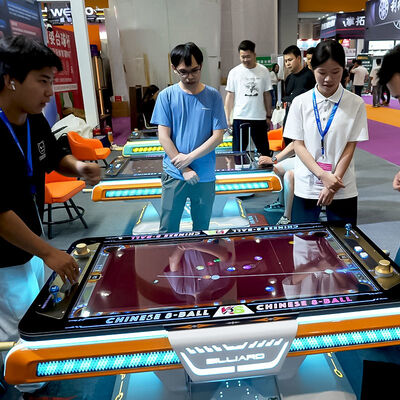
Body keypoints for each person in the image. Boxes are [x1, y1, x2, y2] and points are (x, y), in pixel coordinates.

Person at [0, 35, 101, 393]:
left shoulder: (33, 119)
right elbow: (0, 215)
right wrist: (49, 253)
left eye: (51, 81)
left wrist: (79, 167)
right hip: (5, 253)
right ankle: (29, 388)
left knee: (34, 307)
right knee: (17, 325)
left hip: (30, 238)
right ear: (11, 79)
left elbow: (54, 155)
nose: (49, 92)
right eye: (42, 81)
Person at [284, 39, 368, 226]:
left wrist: (332, 184)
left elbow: (350, 146)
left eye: (335, 72)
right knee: (303, 239)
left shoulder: (355, 103)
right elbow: (298, 145)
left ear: (343, 70)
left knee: (344, 241)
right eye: (322, 73)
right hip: (307, 185)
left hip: (341, 186)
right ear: (312, 69)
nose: (328, 79)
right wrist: (323, 176)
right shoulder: (300, 102)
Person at [151, 42, 227, 233]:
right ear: (174, 68)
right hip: (174, 173)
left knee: (201, 230)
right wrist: (184, 168)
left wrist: (189, 158)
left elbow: (218, 136)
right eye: (183, 72)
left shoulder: (213, 96)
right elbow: (163, 136)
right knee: (167, 230)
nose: (190, 77)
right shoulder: (166, 96)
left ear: (201, 66)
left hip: (204, 174)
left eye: (195, 70)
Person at [259, 45, 315, 226]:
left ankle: (288, 215)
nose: (288, 63)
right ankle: (282, 201)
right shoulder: (289, 79)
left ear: (299, 58)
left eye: (291, 60)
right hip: (292, 130)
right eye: (286, 61)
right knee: (279, 168)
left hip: (311, 153)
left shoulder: (310, 78)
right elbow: (294, 145)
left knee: (290, 174)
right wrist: (274, 159)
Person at [225, 40, 272, 156]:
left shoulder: (264, 71)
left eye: (248, 56)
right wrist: (227, 118)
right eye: (243, 57)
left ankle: (265, 167)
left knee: (264, 152)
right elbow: (230, 96)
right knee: (238, 152)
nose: (245, 60)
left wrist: (268, 115)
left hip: (259, 117)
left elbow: (267, 94)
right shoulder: (234, 72)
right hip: (240, 116)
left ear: (254, 55)